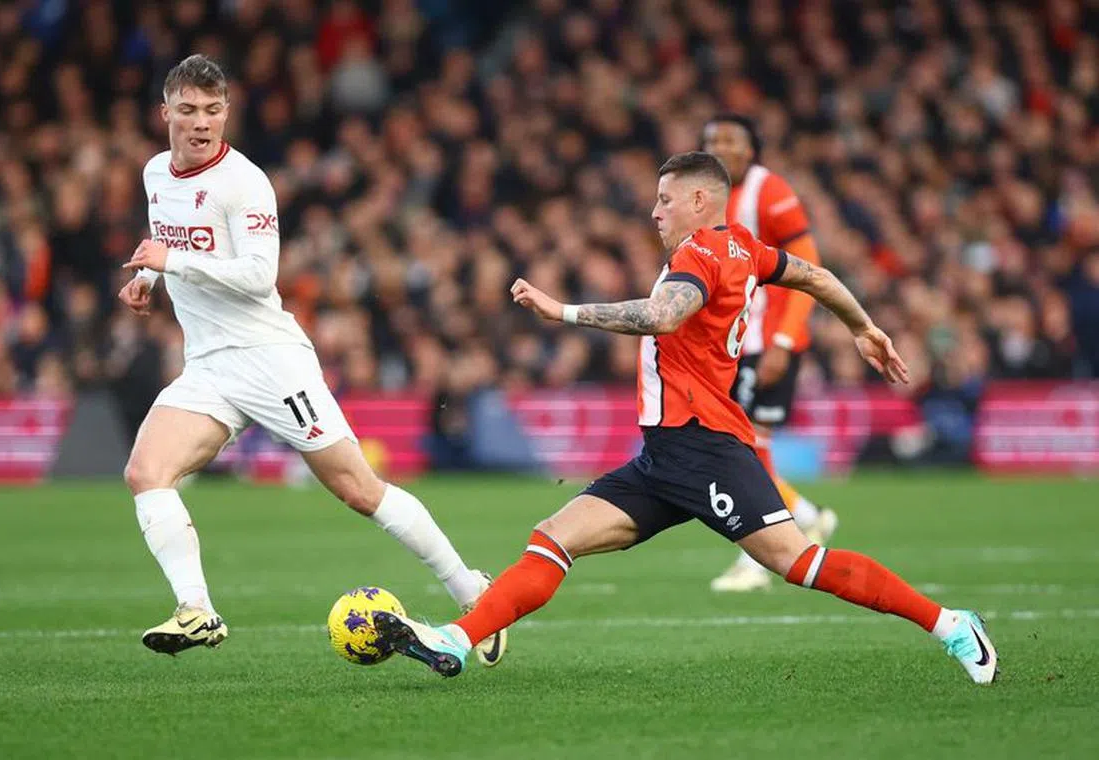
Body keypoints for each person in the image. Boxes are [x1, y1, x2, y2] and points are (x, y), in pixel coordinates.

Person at [372, 152, 997, 685]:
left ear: (701, 200)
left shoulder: (701, 252)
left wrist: (562, 312)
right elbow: (816, 275)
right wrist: (863, 327)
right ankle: (456, 638)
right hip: (664, 457)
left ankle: (951, 625)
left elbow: (663, 316)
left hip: (708, 449)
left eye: (665, 199)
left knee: (798, 562)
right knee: (553, 536)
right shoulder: (745, 249)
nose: (655, 211)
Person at [117, 54, 506, 666]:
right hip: (210, 368)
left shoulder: (245, 182)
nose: (201, 123)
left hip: (271, 361)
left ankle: (472, 592)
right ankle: (197, 609)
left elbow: (257, 274)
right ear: (164, 112)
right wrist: (149, 279)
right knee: (145, 473)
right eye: (188, 111)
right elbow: (176, 248)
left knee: (359, 490)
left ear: (227, 113)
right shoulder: (154, 175)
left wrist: (170, 265)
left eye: (213, 111)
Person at [702, 114, 839, 592]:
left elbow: (809, 266)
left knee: (743, 450)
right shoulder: (712, 197)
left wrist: (783, 341)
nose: (721, 147)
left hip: (769, 343)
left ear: (752, 147)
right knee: (743, 448)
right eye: (712, 140)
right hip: (738, 344)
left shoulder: (769, 191)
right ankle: (807, 516)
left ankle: (759, 559)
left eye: (731, 139)